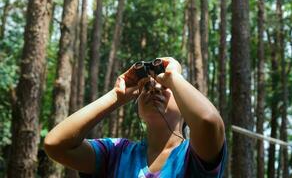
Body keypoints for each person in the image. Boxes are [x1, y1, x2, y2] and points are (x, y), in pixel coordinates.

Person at [44, 57, 227, 178]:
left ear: (185, 106)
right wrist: (116, 96)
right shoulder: (116, 153)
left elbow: (209, 121)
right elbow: (56, 144)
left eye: (165, 87)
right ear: (138, 110)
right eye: (146, 86)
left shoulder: (193, 155)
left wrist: (172, 76)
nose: (154, 88)